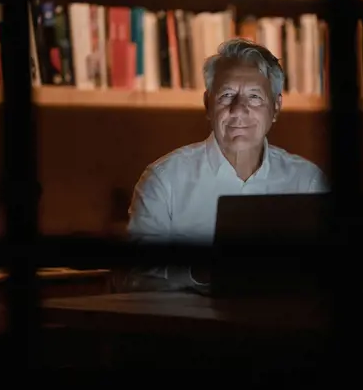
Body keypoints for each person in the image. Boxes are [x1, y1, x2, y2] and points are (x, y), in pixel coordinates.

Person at [123, 38, 328, 291]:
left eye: (254, 97)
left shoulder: (307, 181)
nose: (238, 110)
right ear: (208, 105)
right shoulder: (164, 180)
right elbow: (137, 279)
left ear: (275, 108)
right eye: (227, 95)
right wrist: (202, 270)